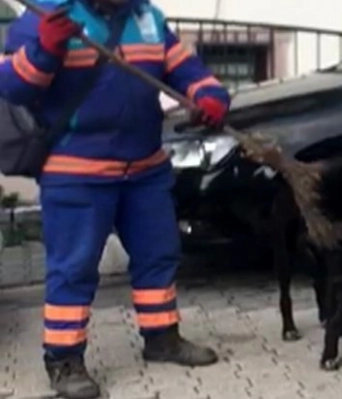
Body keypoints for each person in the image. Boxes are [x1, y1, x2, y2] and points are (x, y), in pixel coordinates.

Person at [0, 0, 231, 398]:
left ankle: (161, 338)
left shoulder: (147, 18)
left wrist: (209, 96)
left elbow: (186, 70)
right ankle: (64, 359)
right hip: (76, 174)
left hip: (144, 168)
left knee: (159, 254)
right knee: (73, 270)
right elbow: (12, 86)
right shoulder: (44, 15)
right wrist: (45, 48)